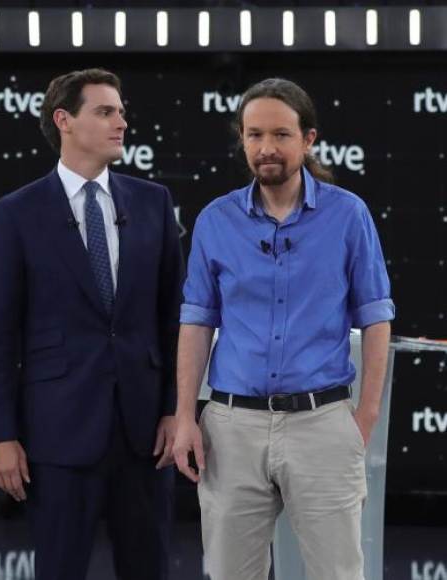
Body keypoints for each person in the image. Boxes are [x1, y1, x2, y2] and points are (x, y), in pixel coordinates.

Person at [172, 77, 394, 580]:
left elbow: (377, 316)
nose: (266, 148)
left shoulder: (348, 215)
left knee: (337, 574)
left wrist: (364, 416)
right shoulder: (216, 220)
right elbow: (196, 322)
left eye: (280, 135)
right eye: (254, 135)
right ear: (243, 140)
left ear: (308, 139)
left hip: (323, 423)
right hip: (231, 427)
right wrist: (186, 415)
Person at [0, 68, 183, 580]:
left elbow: (175, 320)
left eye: (122, 111)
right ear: (64, 120)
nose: (122, 122)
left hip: (144, 434)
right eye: (106, 111)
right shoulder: (16, 214)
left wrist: (177, 412)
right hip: (57, 432)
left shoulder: (153, 202)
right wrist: (0, 435)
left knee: (149, 567)